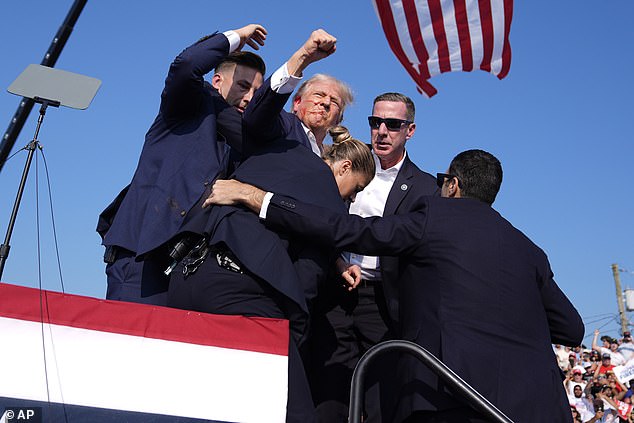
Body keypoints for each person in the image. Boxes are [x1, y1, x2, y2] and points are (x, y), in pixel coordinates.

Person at [206, 149, 585, 422]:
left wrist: (259, 198)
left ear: (452, 185)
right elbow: (572, 327)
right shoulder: (529, 249)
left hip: (449, 397)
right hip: (537, 406)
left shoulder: (433, 218)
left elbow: (349, 229)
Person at [168, 126, 374, 423]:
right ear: (345, 167)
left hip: (186, 279)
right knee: (295, 411)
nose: (352, 198)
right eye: (357, 188)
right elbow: (307, 281)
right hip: (241, 297)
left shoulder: (281, 151)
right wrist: (291, 339)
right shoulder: (330, 203)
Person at [96, 24, 267, 305]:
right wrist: (236, 37)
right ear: (217, 82)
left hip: (190, 271)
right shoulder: (187, 106)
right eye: (243, 86)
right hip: (142, 259)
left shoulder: (242, 141)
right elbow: (186, 65)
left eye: (256, 92)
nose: (249, 98)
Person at [307, 92, 438, 423]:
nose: (381, 130)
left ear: (410, 130)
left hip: (383, 303)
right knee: (328, 393)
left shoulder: (425, 188)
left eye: (392, 124)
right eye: (375, 122)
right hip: (334, 292)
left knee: (380, 398)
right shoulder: (339, 163)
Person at [241, 29, 353, 157]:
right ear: (297, 103)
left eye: (334, 101)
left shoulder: (333, 160)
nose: (326, 102)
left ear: (339, 119)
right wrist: (303, 56)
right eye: (319, 95)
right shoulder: (282, 125)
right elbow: (257, 116)